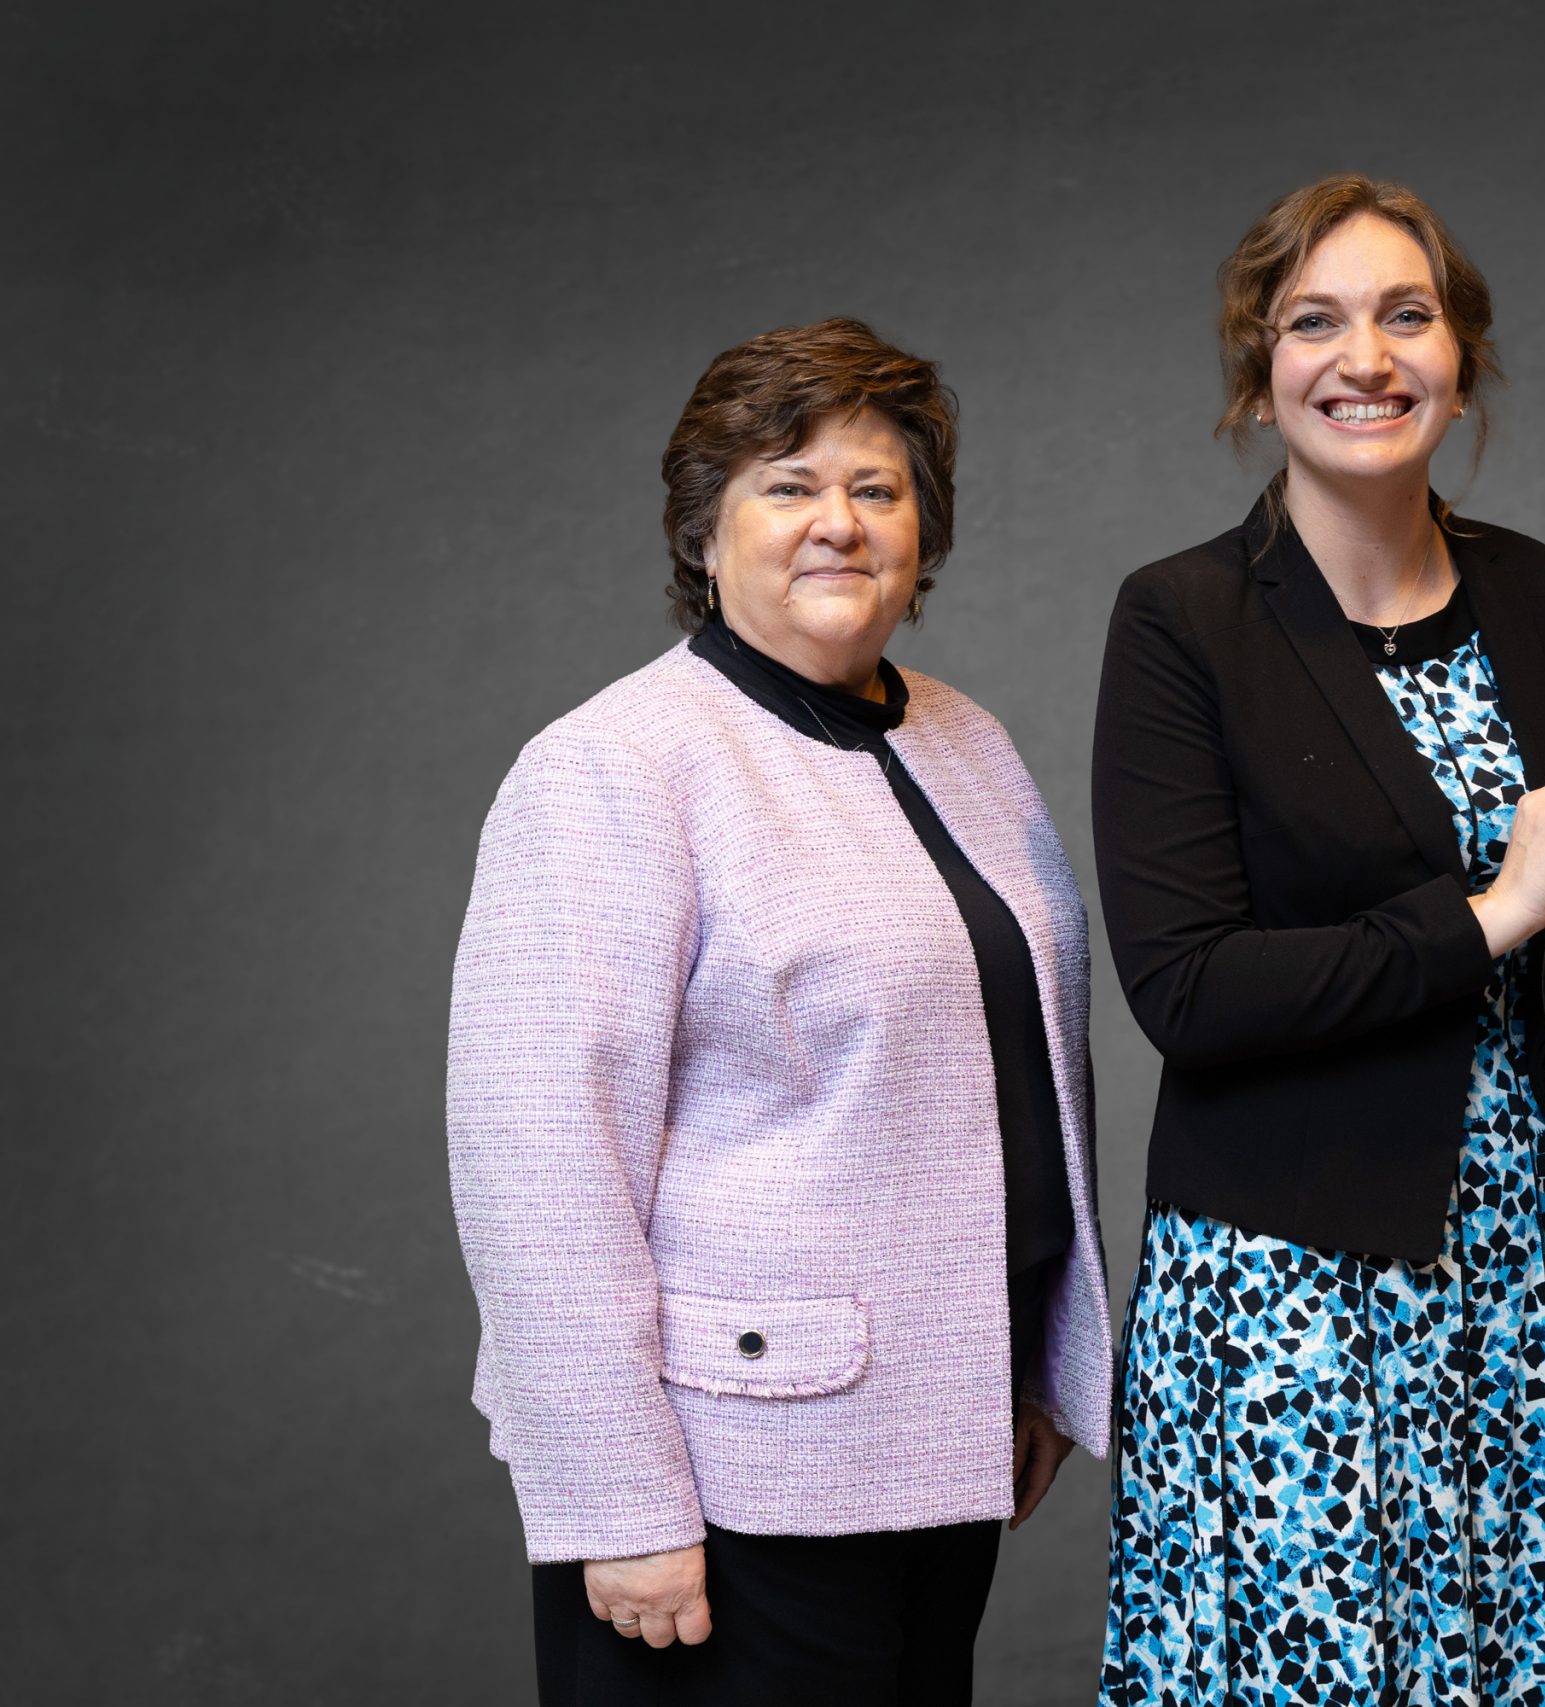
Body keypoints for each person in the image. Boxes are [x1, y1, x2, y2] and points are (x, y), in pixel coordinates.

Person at [447, 317, 1111, 1705]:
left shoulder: (965, 737)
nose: (842, 525)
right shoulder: (616, 769)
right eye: (788, 485)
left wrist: (1038, 1368)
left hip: (940, 1441)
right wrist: (619, 1505)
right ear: (703, 532)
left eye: (879, 490)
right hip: (732, 1475)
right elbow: (539, 1169)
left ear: (924, 533)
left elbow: (1026, 1069)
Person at [1090, 173, 1545, 1705]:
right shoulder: (1182, 622)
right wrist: (1487, 919)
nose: (1368, 357)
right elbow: (1190, 991)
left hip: (1525, 1272)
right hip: (1290, 1290)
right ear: (1257, 375)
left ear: (1458, 353)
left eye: (1408, 314)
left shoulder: (1540, 595)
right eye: (1315, 321)